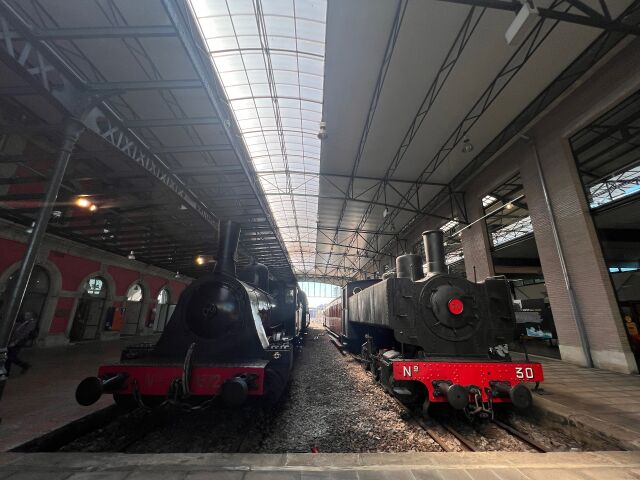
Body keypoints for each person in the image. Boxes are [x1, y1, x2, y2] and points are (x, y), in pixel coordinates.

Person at [5, 311, 38, 376]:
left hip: (19, 342)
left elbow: (24, 334)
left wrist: (15, 342)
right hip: (13, 340)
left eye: (27, 315)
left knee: (10, 357)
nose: (25, 315)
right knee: (9, 356)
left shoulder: (32, 323)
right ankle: (25, 365)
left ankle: (6, 373)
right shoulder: (24, 321)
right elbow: (16, 328)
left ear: (31, 316)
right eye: (25, 314)